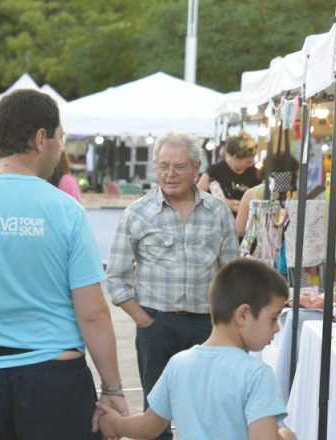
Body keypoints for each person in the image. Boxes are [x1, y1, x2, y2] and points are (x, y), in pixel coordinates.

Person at [0, 89, 127, 440]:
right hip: (54, 377)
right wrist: (113, 388)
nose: (60, 148)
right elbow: (92, 313)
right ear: (41, 138)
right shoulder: (66, 211)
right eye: (60, 138)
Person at [107, 133, 239, 440]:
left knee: (207, 411)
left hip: (206, 327)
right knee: (156, 417)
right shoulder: (137, 213)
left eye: (179, 167)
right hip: (156, 325)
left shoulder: (217, 212)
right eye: (163, 166)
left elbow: (231, 273)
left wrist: (226, 324)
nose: (169, 174)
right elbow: (115, 277)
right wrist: (144, 321)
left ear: (196, 169)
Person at [98, 259, 295, 440]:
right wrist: (285, 436)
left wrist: (115, 424)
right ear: (243, 315)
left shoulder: (179, 364)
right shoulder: (257, 375)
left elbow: (148, 427)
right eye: (273, 318)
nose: (277, 328)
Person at [196, 136, 262, 213]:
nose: (250, 165)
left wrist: (235, 204)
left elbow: (260, 201)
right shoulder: (214, 171)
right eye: (247, 162)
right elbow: (197, 197)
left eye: (251, 162)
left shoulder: (255, 174)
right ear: (235, 158)